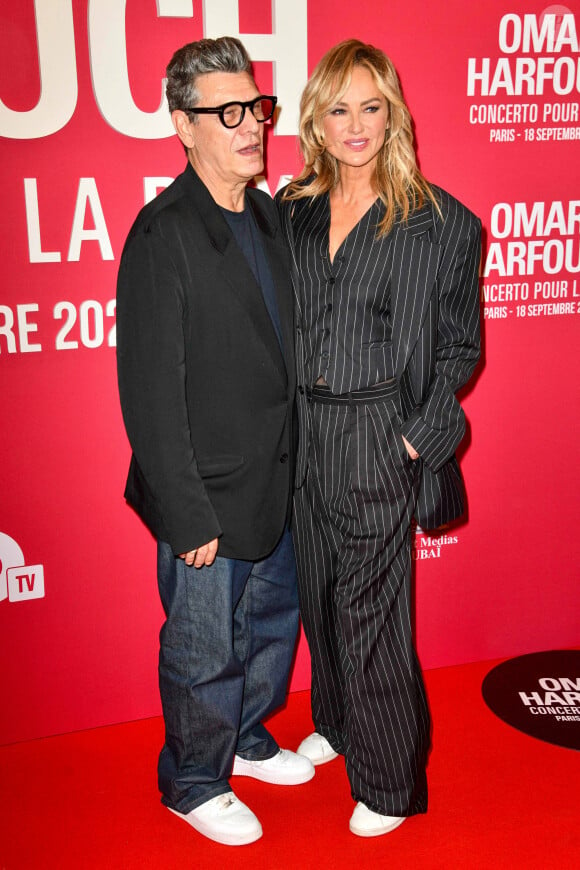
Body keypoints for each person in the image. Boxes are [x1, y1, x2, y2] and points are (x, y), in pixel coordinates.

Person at [277, 39, 481, 837]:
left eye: (371, 105)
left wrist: (414, 438)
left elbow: (461, 345)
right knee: (320, 596)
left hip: (376, 431)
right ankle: (337, 721)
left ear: (392, 111)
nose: (355, 124)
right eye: (339, 108)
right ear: (317, 123)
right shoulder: (290, 209)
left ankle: (391, 780)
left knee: (372, 610)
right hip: (301, 432)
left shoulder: (442, 222)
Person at [116, 36, 314, 848]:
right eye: (226, 113)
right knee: (203, 644)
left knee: (271, 626)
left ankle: (247, 734)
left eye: (256, 108)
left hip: (277, 478)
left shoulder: (269, 213)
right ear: (183, 126)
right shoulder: (162, 233)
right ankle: (193, 779)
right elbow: (149, 390)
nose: (250, 126)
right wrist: (184, 510)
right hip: (205, 491)